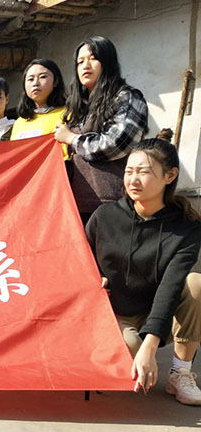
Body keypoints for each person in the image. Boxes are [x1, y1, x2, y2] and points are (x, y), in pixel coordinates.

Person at [85, 130, 201, 405]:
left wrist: (151, 344)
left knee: (196, 284)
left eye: (144, 172)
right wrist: (94, 277)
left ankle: (180, 372)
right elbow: (79, 261)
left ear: (170, 176)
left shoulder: (186, 226)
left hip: (156, 309)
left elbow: (172, 285)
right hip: (114, 312)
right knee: (128, 357)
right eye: (129, 171)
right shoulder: (105, 216)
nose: (133, 180)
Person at [55, 36, 148, 222]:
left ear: (107, 62)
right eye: (80, 61)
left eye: (93, 58)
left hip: (114, 203)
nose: (85, 65)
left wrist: (72, 138)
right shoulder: (78, 107)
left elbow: (116, 144)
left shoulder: (127, 97)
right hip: (77, 204)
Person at [10, 59, 68, 158]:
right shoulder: (19, 123)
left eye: (42, 77)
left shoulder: (67, 114)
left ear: (56, 81)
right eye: (30, 79)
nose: (35, 83)